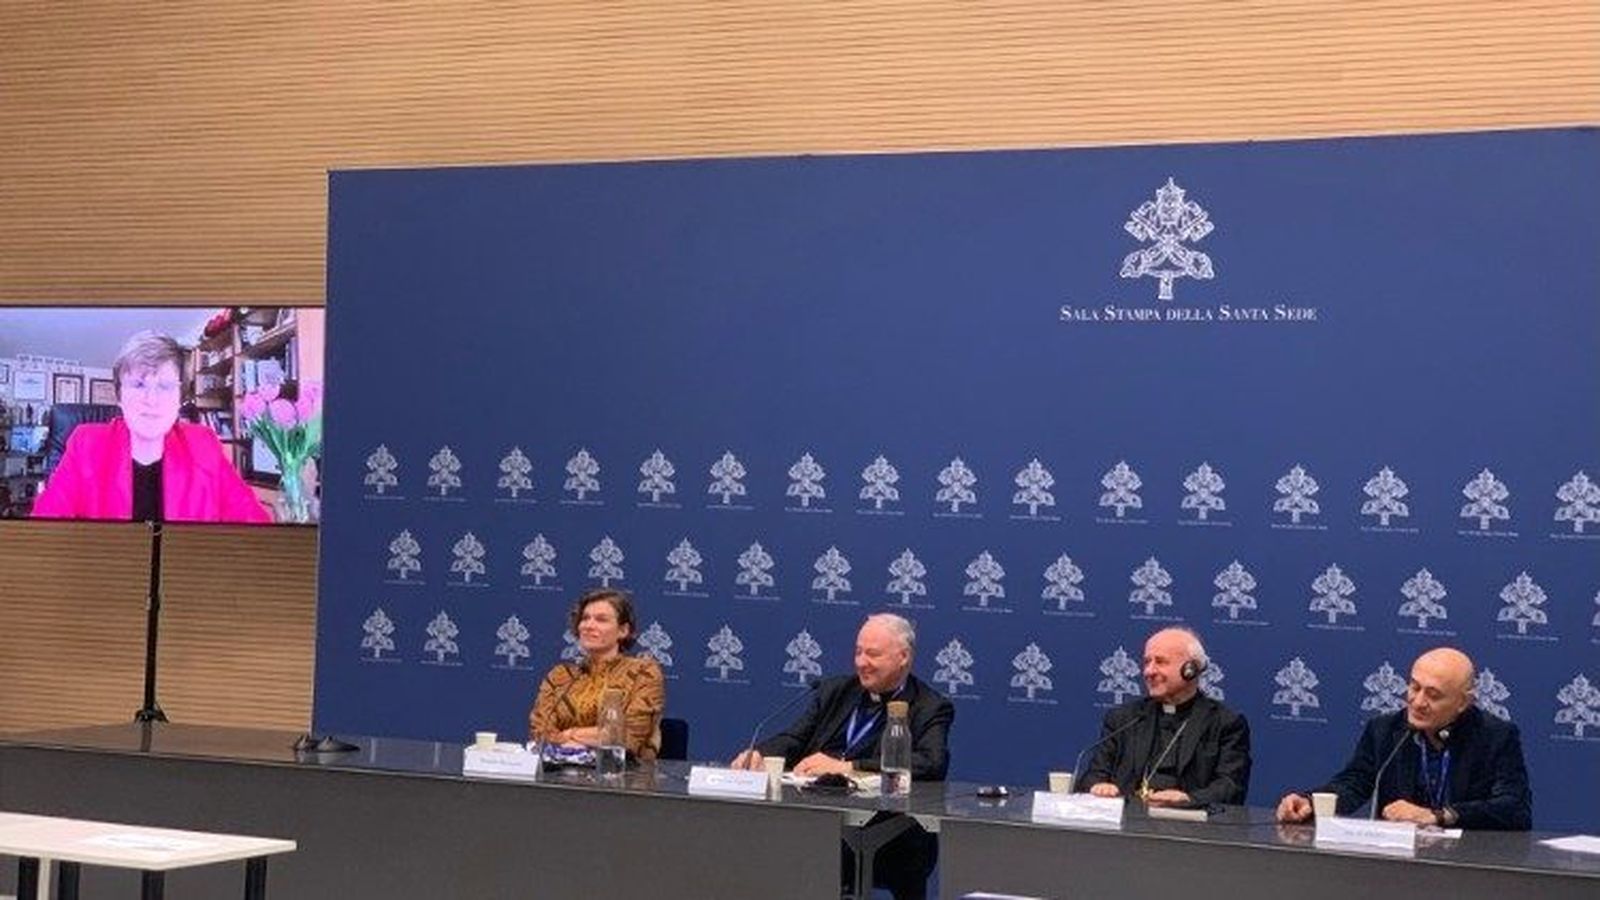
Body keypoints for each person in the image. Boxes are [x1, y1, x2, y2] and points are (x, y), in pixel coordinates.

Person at [733, 613, 953, 900]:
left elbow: (931, 762)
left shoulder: (930, 705)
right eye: (858, 652)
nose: (861, 662)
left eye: (872, 654)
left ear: (903, 657)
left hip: (891, 832)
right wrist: (759, 753)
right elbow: (795, 739)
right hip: (816, 823)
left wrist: (848, 767)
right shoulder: (835, 691)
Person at [1276, 646, 1532, 830]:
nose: (1418, 702)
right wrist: (1309, 801)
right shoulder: (1385, 730)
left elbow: (1513, 808)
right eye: (1414, 687)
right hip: (1395, 866)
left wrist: (1439, 816)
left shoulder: (1495, 736)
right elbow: (1354, 783)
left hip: (1465, 866)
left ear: (1463, 702)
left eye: (1433, 694)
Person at [31, 330, 270, 523]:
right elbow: (45, 529)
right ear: (119, 396)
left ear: (179, 398)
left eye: (165, 386)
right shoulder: (87, 444)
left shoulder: (203, 444)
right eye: (138, 384)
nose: (152, 399)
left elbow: (254, 526)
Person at [1082, 627, 1251, 807]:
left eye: (1160, 662)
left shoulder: (1226, 723)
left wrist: (1188, 800)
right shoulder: (1122, 718)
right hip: (1127, 824)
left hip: (1189, 829)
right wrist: (1098, 786)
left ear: (1190, 669)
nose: (1149, 671)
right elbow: (1094, 775)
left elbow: (1231, 786)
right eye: (1146, 662)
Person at [528, 588, 665, 760]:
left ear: (623, 630)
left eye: (601, 619)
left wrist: (570, 734)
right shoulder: (560, 675)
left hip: (622, 777)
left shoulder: (643, 673)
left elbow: (628, 738)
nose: (588, 625)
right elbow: (540, 733)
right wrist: (590, 739)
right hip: (560, 773)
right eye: (585, 618)